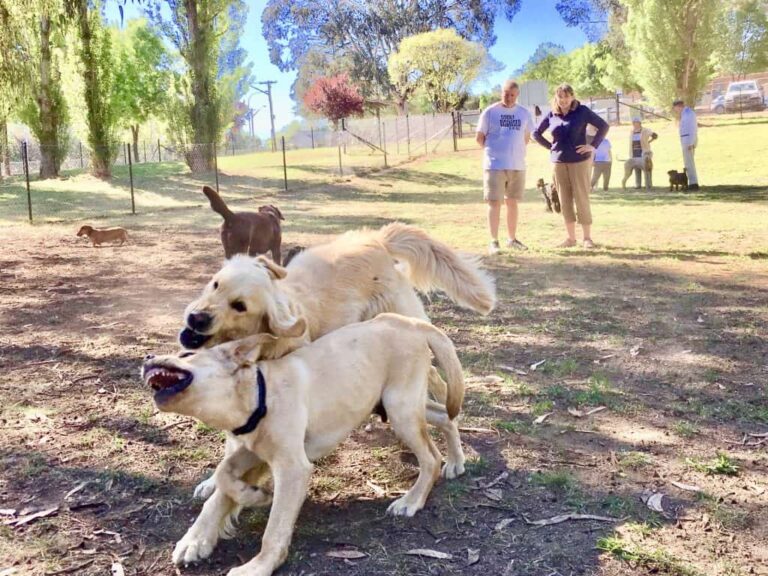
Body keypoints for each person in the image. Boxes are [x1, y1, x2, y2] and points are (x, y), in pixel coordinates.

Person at [533, 83, 609, 249]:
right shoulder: (552, 114)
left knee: (581, 197)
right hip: (559, 163)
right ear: (556, 98)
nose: (564, 100)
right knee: (564, 199)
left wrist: (593, 145)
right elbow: (535, 133)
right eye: (560, 96)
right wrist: (550, 147)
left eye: (567, 96)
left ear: (572, 96)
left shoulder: (582, 111)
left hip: (580, 162)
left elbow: (603, 126)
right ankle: (570, 238)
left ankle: (587, 238)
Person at [476, 79, 535, 254]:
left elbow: (527, 136)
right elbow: (479, 138)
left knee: (512, 202)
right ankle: (494, 241)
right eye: (505, 94)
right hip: (495, 165)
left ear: (517, 95)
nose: (508, 98)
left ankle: (512, 239)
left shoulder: (524, 113)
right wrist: (494, 152)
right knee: (494, 202)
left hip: (517, 165)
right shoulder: (490, 112)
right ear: (501, 93)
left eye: (512, 95)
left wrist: (516, 151)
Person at [621, 117, 657, 190]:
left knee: (647, 169)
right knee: (636, 169)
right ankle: (638, 185)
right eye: (633, 123)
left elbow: (655, 136)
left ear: (639, 123)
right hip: (634, 152)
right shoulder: (632, 131)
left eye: (636, 122)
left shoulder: (645, 130)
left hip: (644, 153)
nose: (634, 124)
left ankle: (649, 185)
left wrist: (649, 142)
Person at [673, 99, 699, 190]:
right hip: (686, 140)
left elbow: (692, 129)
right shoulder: (685, 113)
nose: (675, 111)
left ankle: (693, 183)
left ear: (678, 106)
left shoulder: (688, 114)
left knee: (689, 163)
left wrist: (691, 142)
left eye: (675, 108)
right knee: (688, 163)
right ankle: (691, 182)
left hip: (688, 140)